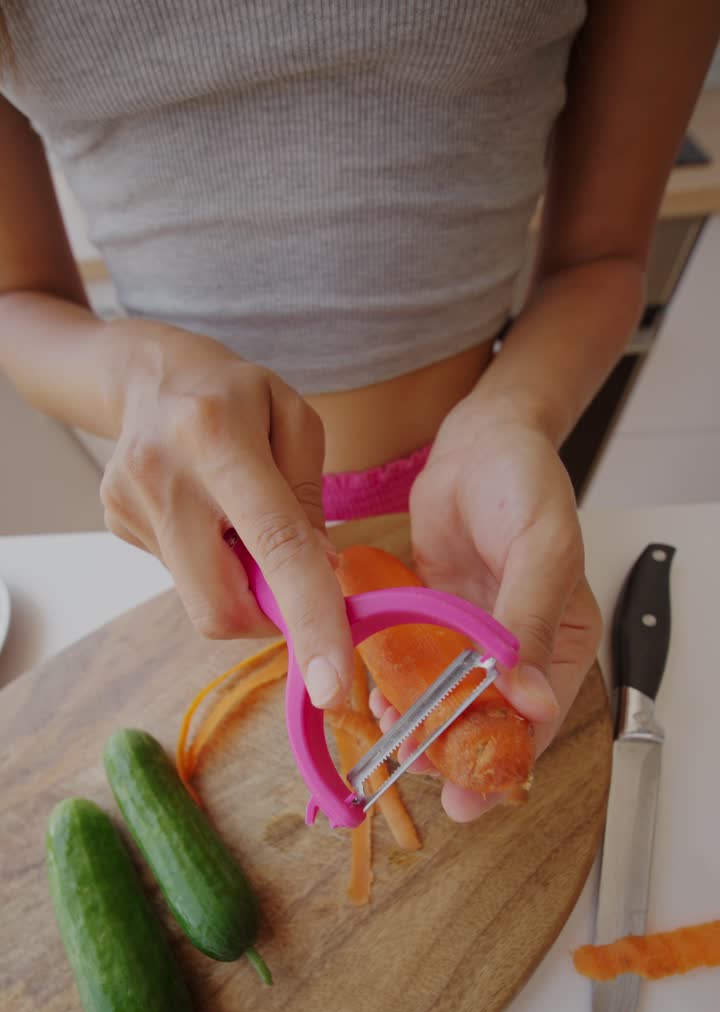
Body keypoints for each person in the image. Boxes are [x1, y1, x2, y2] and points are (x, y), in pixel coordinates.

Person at [1, 3, 717, 820]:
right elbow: (15, 298)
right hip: (194, 526)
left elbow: (604, 259)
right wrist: (138, 379)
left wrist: (510, 418)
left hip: (467, 495)